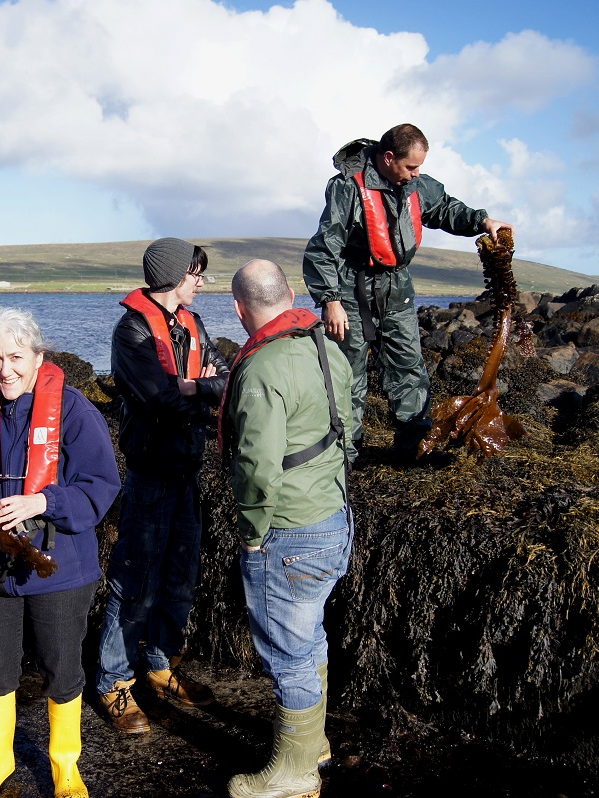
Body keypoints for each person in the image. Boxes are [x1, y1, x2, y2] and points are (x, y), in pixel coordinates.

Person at [0, 307, 120, 798]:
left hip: (60, 569)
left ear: (39, 356)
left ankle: (65, 765)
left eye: (16, 357)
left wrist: (43, 500)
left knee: (63, 665)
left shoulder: (76, 412)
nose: (5, 370)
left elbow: (102, 486)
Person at [220, 260, 354, 798]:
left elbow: (257, 464)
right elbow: (349, 425)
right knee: (311, 636)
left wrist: (252, 533)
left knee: (289, 651)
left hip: (289, 533)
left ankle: (296, 773)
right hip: (333, 517)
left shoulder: (261, 369)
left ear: (237, 308)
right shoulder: (328, 349)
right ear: (292, 294)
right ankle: (314, 743)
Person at [302, 123, 514, 462]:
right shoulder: (347, 187)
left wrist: (483, 222)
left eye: (420, 167)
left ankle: (413, 451)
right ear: (388, 158)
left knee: (409, 369)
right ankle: (344, 458)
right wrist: (330, 301)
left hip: (397, 288)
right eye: (410, 167)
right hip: (351, 290)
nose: (416, 174)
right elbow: (323, 247)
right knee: (348, 375)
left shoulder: (417, 185)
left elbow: (446, 209)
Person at [95, 237, 230, 733]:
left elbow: (227, 378)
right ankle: (113, 682)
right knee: (135, 579)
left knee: (179, 575)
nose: (200, 282)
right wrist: (199, 388)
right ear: (175, 275)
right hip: (150, 471)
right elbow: (159, 400)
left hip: (187, 468)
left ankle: (159, 666)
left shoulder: (191, 323)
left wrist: (196, 388)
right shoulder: (131, 331)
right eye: (196, 273)